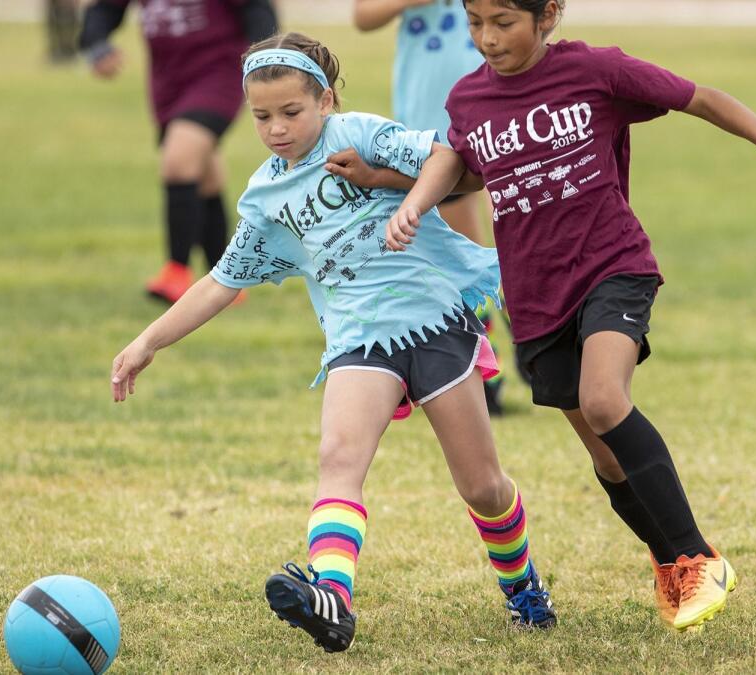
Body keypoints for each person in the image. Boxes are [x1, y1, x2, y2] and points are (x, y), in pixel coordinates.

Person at [109, 32, 557, 653]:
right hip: (357, 342)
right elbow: (219, 282)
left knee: (482, 486)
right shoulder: (267, 197)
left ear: (326, 101)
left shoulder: (359, 134)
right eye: (262, 116)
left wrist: (401, 197)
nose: (276, 129)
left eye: (291, 112)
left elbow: (447, 158)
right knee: (338, 460)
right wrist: (148, 342)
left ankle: (524, 588)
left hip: (433, 323)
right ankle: (333, 598)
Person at [381, 0, 756, 631]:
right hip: (533, 298)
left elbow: (701, 98)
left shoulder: (596, 71)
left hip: (612, 265)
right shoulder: (468, 97)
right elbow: (468, 166)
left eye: (503, 22)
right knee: (607, 456)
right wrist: (395, 186)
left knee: (606, 400)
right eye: (475, 22)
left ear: (548, 14)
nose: (487, 38)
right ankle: (669, 560)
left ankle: (698, 555)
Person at [348, 0, 513, 413]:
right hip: (432, 124)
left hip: (501, 110)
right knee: (462, 257)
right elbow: (363, 16)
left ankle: (534, 341)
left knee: (517, 237)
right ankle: (485, 368)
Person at [78, 0, 278, 303]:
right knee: (203, 170)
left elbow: (256, 8)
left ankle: (176, 272)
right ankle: (227, 279)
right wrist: (96, 44)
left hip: (219, 72)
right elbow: (105, 9)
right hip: (168, 81)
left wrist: (264, 59)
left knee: (179, 160)